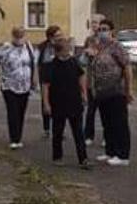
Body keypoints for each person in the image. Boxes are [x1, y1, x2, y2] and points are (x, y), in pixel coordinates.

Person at [42, 34, 91, 170]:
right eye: (66, 50)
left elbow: (81, 76)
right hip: (57, 103)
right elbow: (45, 86)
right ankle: (57, 157)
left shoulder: (74, 62)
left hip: (74, 102)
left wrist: (84, 94)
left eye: (69, 49)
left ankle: (83, 159)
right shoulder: (50, 66)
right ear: (58, 51)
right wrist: (46, 103)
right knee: (57, 132)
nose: (68, 52)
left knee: (78, 133)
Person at [89, 18, 133, 166]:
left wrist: (129, 89)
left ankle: (123, 155)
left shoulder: (117, 47)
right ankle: (110, 151)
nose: (102, 32)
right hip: (102, 92)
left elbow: (126, 67)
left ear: (112, 31)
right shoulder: (98, 47)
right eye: (100, 29)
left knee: (119, 122)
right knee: (107, 123)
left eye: (105, 29)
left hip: (116, 91)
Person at [0, 25, 37, 149]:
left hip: (25, 85)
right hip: (9, 85)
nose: (20, 38)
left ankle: (18, 136)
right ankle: (14, 138)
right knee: (13, 111)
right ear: (13, 35)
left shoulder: (29, 47)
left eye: (22, 34)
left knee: (21, 111)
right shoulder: (5, 48)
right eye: (18, 35)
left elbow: (33, 64)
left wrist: (34, 79)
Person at [81, 13, 106, 146]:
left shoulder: (106, 39)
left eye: (96, 22)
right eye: (92, 22)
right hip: (91, 79)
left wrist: (96, 53)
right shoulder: (89, 39)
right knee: (90, 110)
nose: (94, 25)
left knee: (105, 112)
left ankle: (106, 136)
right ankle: (88, 135)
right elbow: (83, 61)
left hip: (104, 80)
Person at [36, 25, 63, 138]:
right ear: (50, 37)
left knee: (59, 103)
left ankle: (58, 130)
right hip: (46, 78)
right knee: (45, 102)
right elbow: (38, 62)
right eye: (57, 35)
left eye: (60, 35)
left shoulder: (61, 46)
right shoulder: (42, 47)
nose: (59, 37)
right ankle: (46, 128)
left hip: (59, 78)